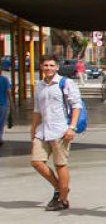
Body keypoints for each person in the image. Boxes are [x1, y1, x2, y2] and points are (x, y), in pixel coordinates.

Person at [30, 55, 81, 211]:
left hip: (60, 129)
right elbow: (37, 109)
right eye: (46, 65)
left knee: (60, 164)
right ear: (41, 67)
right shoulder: (39, 85)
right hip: (43, 129)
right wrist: (33, 128)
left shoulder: (65, 83)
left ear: (57, 67)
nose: (48, 68)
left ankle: (63, 199)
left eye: (52, 65)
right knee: (37, 161)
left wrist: (72, 127)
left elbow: (76, 105)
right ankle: (61, 188)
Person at [0, 69, 12, 146]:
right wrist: (11, 103)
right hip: (2, 104)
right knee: (1, 122)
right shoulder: (4, 80)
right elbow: (8, 92)